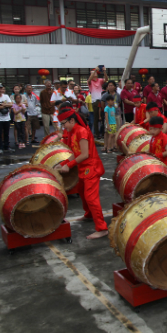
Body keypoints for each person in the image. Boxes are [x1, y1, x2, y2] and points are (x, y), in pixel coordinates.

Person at [56, 108, 107, 239]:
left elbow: (85, 154)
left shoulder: (82, 131)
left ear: (71, 120)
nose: (63, 126)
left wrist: (69, 165)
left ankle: (102, 228)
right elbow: (75, 153)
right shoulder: (73, 131)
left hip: (91, 168)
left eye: (63, 123)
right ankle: (89, 214)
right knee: (82, 192)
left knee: (91, 197)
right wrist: (64, 163)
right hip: (83, 168)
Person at [0, 84, 14, 154]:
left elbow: (11, 104)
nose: (0, 90)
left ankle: (6, 146)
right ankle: (0, 147)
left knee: (6, 133)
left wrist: (3, 105)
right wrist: (5, 105)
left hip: (7, 118)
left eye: (1, 89)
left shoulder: (6, 96)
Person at [88, 67, 107, 137]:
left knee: (103, 117)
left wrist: (104, 71)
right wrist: (95, 70)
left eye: (95, 72)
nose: (94, 73)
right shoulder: (90, 82)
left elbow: (106, 80)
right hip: (95, 101)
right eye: (92, 73)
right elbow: (89, 79)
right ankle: (97, 133)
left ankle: (103, 132)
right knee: (96, 118)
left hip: (101, 100)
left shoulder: (100, 80)